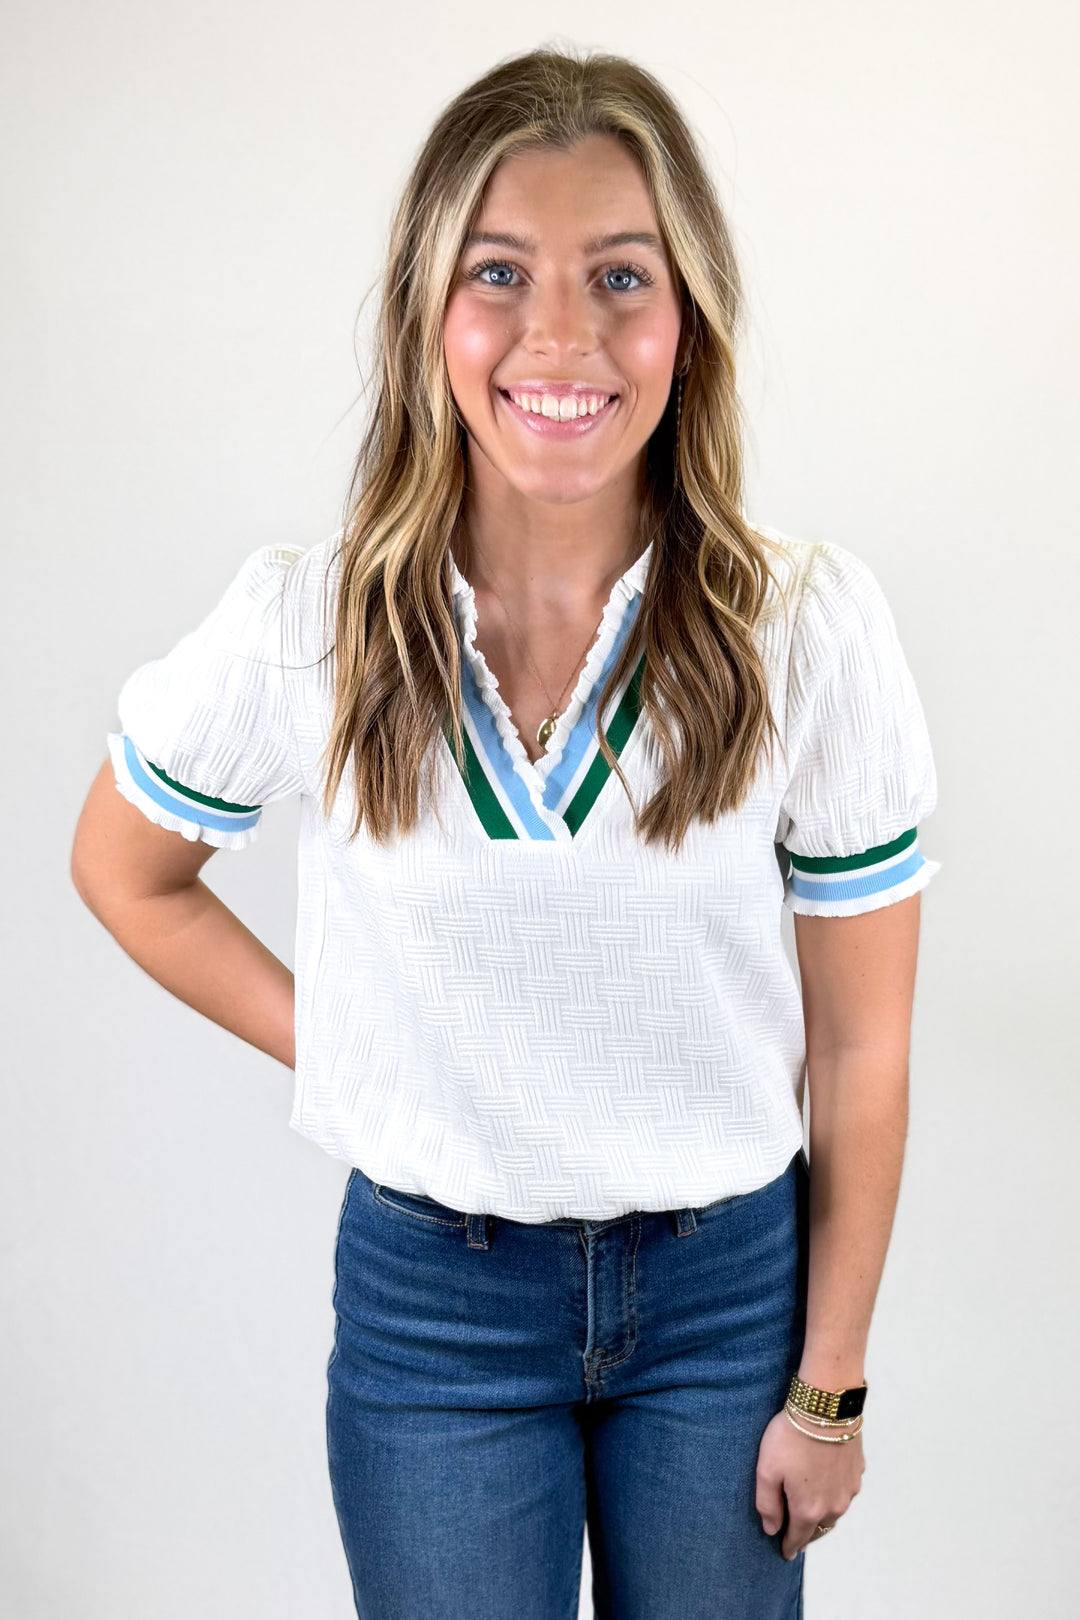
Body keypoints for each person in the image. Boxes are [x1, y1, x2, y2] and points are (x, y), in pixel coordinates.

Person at [71, 45, 941, 1620]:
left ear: (691, 318)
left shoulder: (804, 626)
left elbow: (863, 1049)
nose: (562, 335)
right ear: (428, 312)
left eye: (622, 274)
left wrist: (832, 1387)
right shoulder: (310, 626)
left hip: (725, 1301)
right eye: (500, 273)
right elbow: (124, 869)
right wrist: (341, 1041)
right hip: (435, 1316)